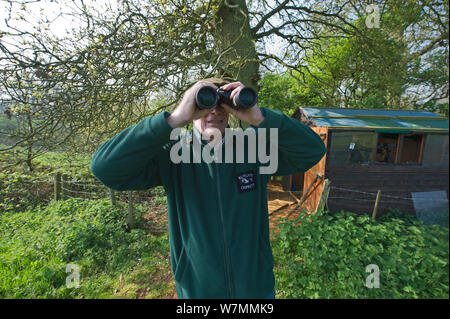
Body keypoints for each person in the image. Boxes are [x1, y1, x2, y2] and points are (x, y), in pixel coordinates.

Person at [90, 78, 326, 299]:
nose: (214, 111)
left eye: (222, 103)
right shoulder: (173, 153)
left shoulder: (253, 148)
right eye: (205, 102)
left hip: (255, 289)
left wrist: (261, 118)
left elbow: (312, 150)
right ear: (191, 108)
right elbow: (105, 168)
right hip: (198, 292)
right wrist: (172, 120)